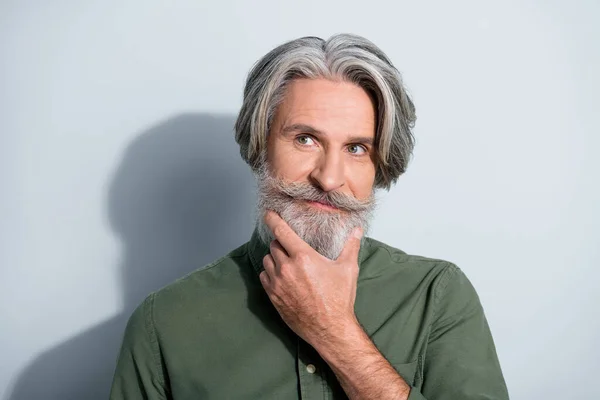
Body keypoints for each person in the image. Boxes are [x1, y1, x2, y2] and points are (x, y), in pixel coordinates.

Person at [109, 34, 509, 400]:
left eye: (356, 149)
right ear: (260, 145)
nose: (329, 178)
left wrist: (335, 332)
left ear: (379, 166)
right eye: (305, 139)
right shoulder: (164, 322)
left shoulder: (436, 295)